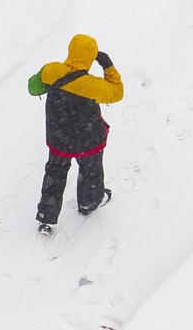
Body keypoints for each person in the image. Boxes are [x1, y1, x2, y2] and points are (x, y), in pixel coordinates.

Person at [28, 33, 122, 231]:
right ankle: (88, 203)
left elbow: (33, 88)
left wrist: (46, 76)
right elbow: (117, 92)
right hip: (88, 142)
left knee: (54, 174)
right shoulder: (94, 85)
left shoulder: (51, 70)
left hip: (59, 139)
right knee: (91, 172)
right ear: (91, 57)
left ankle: (46, 215)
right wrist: (107, 65)